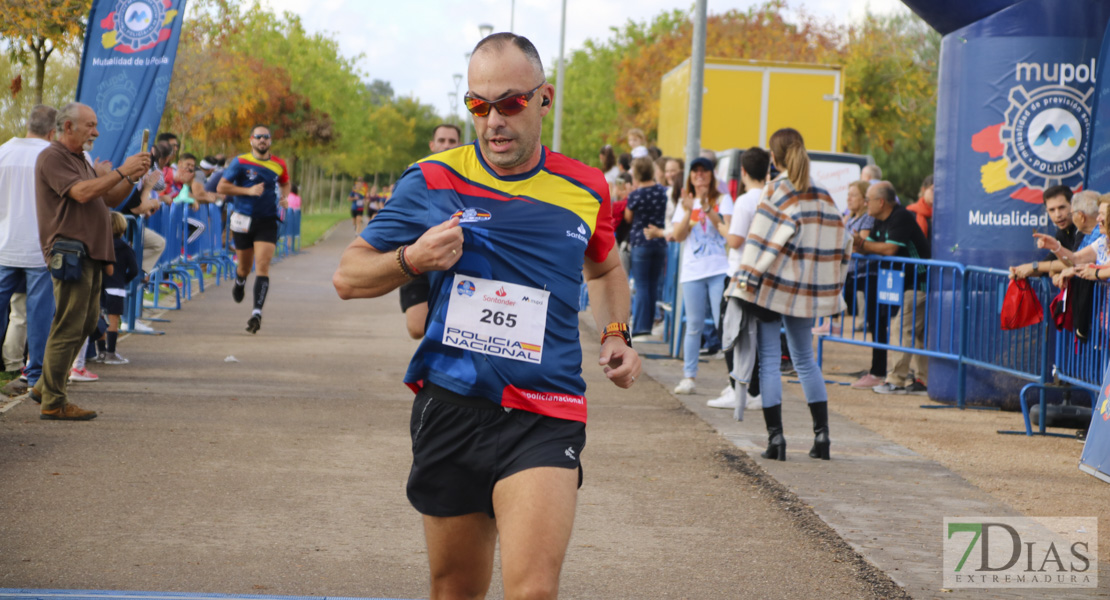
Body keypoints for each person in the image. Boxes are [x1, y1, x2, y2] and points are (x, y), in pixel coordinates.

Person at [332, 32, 640, 600]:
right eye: (478, 104)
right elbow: (349, 277)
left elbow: (604, 270)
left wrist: (617, 333)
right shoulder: (431, 179)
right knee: (455, 591)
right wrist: (413, 259)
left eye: (510, 103)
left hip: (545, 411)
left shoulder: (586, 187)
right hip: (452, 405)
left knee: (533, 591)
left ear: (544, 100)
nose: (493, 119)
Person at [733, 128, 849, 461]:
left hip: (772, 286)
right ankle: (822, 436)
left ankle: (776, 440)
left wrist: (744, 279)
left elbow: (758, 241)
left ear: (774, 157)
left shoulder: (774, 191)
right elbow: (842, 241)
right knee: (806, 361)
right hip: (809, 290)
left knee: (769, 362)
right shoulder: (824, 195)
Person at [30, 102, 151, 420]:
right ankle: (54, 401)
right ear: (67, 127)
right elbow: (82, 193)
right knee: (69, 326)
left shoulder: (78, 158)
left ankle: (44, 386)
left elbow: (108, 198)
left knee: (85, 324)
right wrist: (121, 170)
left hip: (89, 253)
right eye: (90, 125)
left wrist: (131, 177)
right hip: (72, 254)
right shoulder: (52, 156)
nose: (96, 132)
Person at [0, 105, 58, 398]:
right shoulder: (49, 156)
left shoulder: (3, 152)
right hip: (39, 247)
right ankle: (35, 375)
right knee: (39, 314)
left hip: (4, 244)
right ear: (52, 131)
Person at [855, 181, 932, 395]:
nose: (865, 203)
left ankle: (896, 380)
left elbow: (888, 249)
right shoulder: (879, 220)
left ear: (881, 202)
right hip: (906, 284)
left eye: (867, 200)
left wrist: (860, 244)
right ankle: (924, 381)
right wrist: (855, 243)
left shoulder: (901, 217)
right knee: (917, 334)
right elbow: (864, 246)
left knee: (901, 328)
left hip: (920, 282)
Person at [709, 146, 769, 411]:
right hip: (761, 273)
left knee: (731, 332)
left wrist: (720, 225)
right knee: (754, 337)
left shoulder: (745, 200)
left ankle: (740, 390)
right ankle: (750, 387)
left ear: (743, 171)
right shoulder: (770, 196)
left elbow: (735, 240)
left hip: (738, 274)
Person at [217, 125, 291, 334]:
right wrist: (247, 190)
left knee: (263, 265)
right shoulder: (240, 162)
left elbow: (285, 183)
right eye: (258, 137)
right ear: (251, 140)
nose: (262, 140)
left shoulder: (279, 164)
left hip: (267, 220)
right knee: (244, 266)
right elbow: (221, 187)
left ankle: (256, 313)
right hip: (242, 219)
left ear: (270, 141)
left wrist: (284, 198)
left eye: (266, 137)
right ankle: (240, 280)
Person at [671, 156, 730, 395]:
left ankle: (733, 380)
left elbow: (729, 233)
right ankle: (689, 376)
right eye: (695, 171)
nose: (699, 175)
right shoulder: (684, 202)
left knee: (723, 324)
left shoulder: (724, 200)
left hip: (718, 269)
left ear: (711, 174)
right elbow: (678, 236)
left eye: (704, 171)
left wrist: (706, 209)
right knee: (694, 325)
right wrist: (688, 211)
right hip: (693, 270)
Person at [399, 123, 463, 340]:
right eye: (442, 141)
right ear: (432, 144)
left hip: (458, 260)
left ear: (460, 145)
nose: (446, 146)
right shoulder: (416, 175)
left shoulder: (470, 177)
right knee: (418, 327)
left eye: (452, 141)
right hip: (421, 258)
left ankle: (439, 370)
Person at [624, 156, 668, 340]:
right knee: (653, 284)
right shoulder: (662, 191)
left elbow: (628, 218)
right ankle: (650, 322)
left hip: (641, 242)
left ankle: (641, 326)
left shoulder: (635, 195)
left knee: (641, 285)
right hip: (659, 241)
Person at [95, 212, 139, 364]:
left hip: (100, 286)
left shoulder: (100, 246)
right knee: (114, 320)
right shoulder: (126, 248)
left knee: (100, 318)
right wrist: (124, 280)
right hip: (116, 287)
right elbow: (134, 270)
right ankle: (111, 353)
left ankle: (100, 352)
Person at [1009, 186, 1077, 280]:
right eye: (1052, 210)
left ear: (1073, 206)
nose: (1058, 215)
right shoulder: (1061, 234)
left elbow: (1077, 262)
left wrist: (1034, 266)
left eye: (1062, 207)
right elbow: (1046, 266)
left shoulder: (1083, 229)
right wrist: (1019, 271)